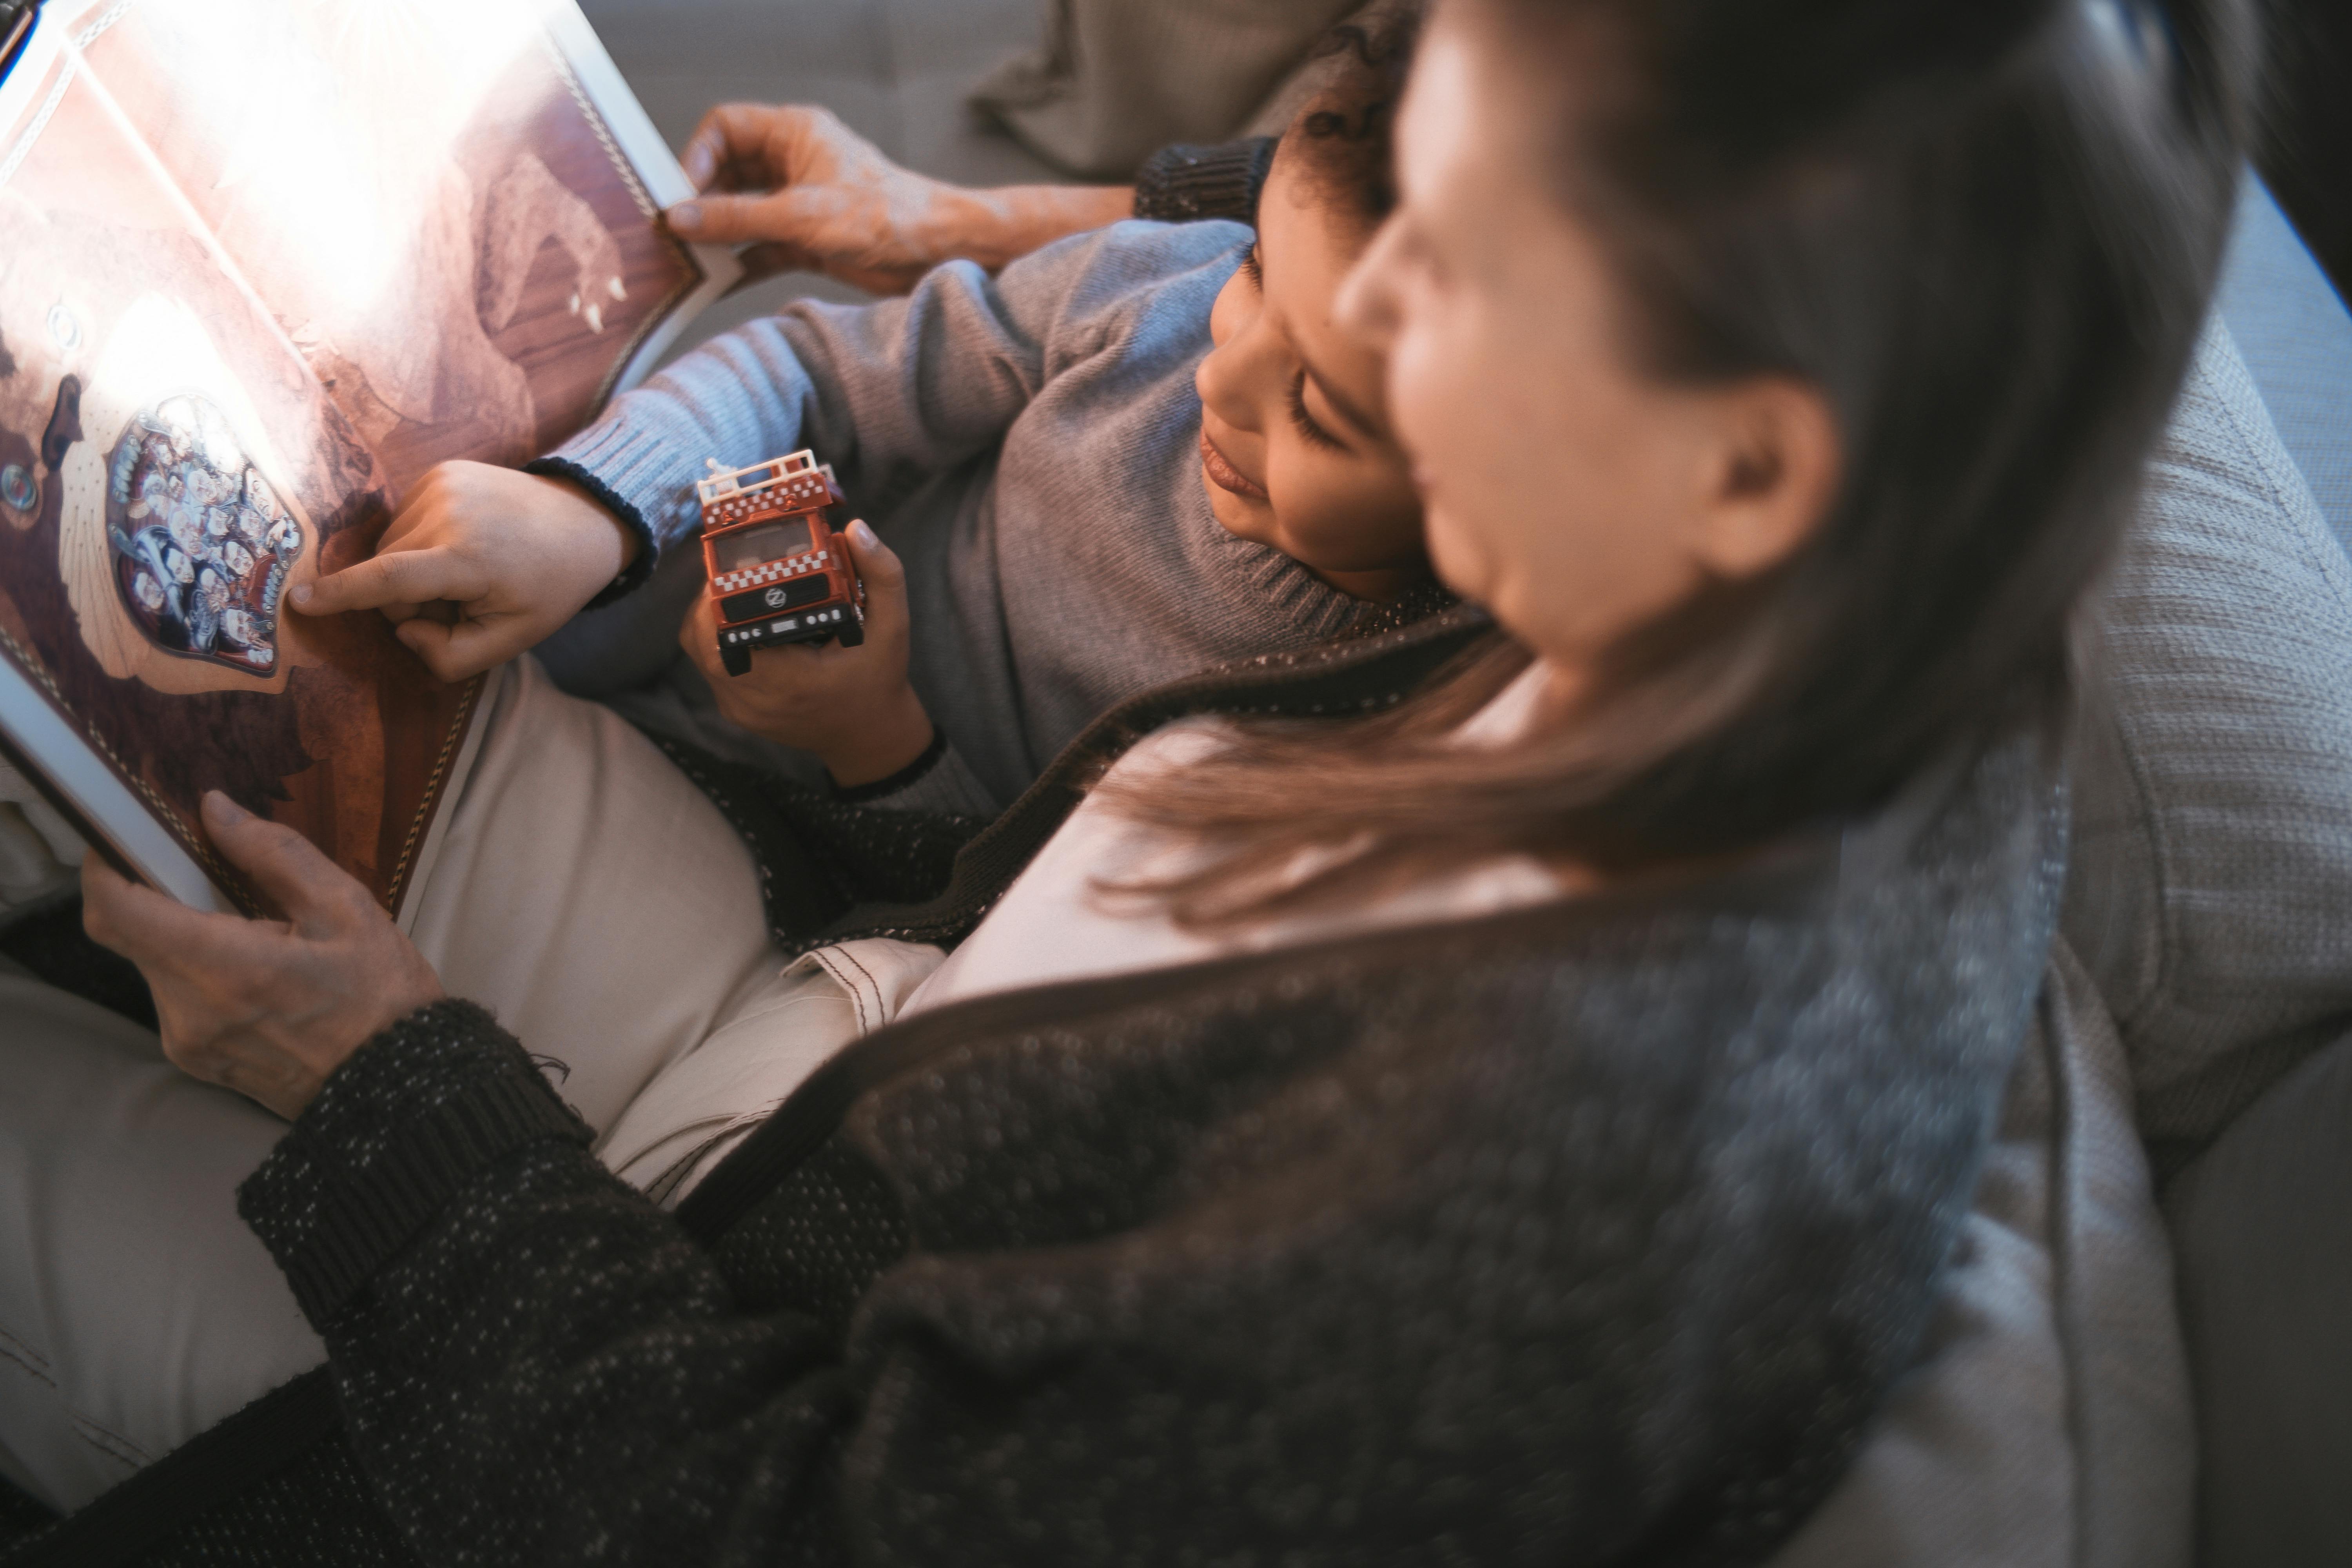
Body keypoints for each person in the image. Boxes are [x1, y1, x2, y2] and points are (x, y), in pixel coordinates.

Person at [0, 0, 2247, 1561]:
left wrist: (392, 1094)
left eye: (1445, 281)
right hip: (813, 1055)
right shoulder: (1876, 568)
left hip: (587, 1405)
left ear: (1744, 461)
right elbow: (1276, 246)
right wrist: (1005, 226)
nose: (1326, 330)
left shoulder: (1539, 1156)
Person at [324, 15, 1434, 828]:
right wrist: (592, 511)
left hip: (811, 833)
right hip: (684, 579)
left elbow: (991, 930)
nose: (1215, 375)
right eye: (1255, 269)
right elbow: (811, 368)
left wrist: (872, 742)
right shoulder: (1153, 295)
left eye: (1320, 412)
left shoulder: (1376, 733)